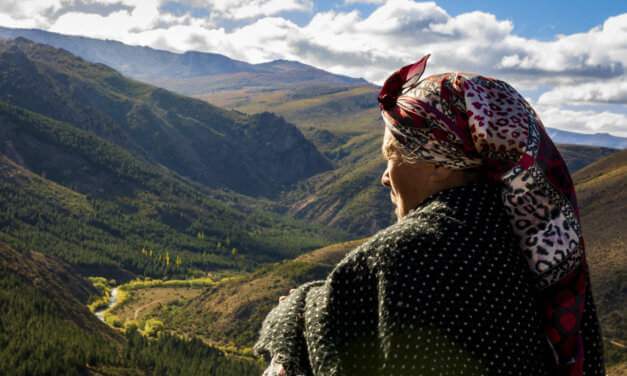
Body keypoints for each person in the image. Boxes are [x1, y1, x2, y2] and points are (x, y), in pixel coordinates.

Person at [254, 55, 605, 375]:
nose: (385, 175)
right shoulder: (538, 250)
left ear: (439, 163)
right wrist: (306, 302)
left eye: (392, 156)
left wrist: (292, 312)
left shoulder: (411, 253)